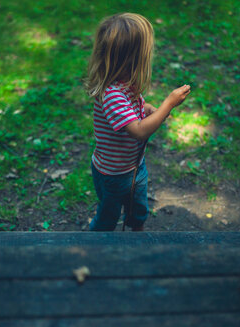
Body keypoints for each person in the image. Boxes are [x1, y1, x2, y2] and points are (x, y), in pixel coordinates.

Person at [85, 12, 190, 231]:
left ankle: (135, 234)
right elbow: (139, 131)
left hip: (133, 166)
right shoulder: (112, 94)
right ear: (130, 60)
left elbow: (134, 110)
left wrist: (150, 109)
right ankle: (93, 245)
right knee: (107, 218)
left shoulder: (125, 83)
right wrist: (167, 104)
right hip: (113, 174)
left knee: (139, 210)